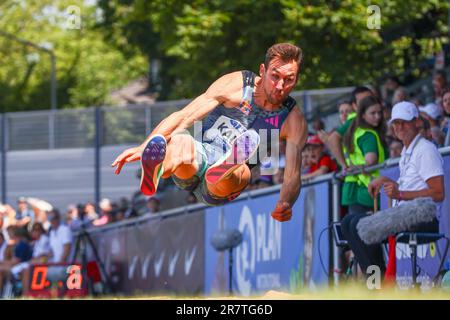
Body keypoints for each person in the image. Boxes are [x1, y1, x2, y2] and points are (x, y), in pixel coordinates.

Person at [112, 43, 308, 222]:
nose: (280, 86)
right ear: (263, 71)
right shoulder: (238, 84)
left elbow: (292, 175)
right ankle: (159, 167)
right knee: (181, 141)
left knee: (243, 171)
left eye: (289, 80)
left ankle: (227, 165)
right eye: (275, 76)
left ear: (296, 80)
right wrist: (144, 146)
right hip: (200, 158)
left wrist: (285, 202)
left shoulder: (292, 119)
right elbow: (185, 116)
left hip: (220, 188)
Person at [342, 101, 445, 276]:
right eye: (396, 123)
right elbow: (411, 187)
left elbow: (438, 193)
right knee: (348, 223)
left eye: (404, 121)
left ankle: (379, 281)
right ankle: (376, 279)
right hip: (406, 212)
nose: (400, 127)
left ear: (417, 122)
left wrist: (400, 194)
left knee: (363, 226)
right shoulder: (407, 150)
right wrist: (385, 181)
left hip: (423, 218)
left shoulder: (426, 149)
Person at [341, 95, 388, 215]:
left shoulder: (357, 132)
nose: (377, 116)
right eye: (373, 113)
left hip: (360, 190)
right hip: (372, 191)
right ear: (362, 115)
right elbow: (371, 160)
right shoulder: (369, 135)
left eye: (379, 112)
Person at [324, 86, 373, 169]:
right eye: (341, 112)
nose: (344, 114)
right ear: (355, 106)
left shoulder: (364, 119)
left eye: (347, 111)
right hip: (360, 176)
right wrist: (345, 166)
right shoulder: (353, 121)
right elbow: (333, 139)